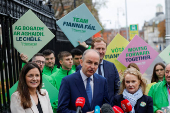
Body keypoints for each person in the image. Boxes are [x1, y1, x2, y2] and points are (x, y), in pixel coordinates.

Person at [77, 37, 119, 106]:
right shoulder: (81, 67)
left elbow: (117, 88)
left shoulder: (111, 66)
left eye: (103, 49)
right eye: (98, 49)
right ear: (92, 49)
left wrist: (112, 104)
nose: (101, 51)